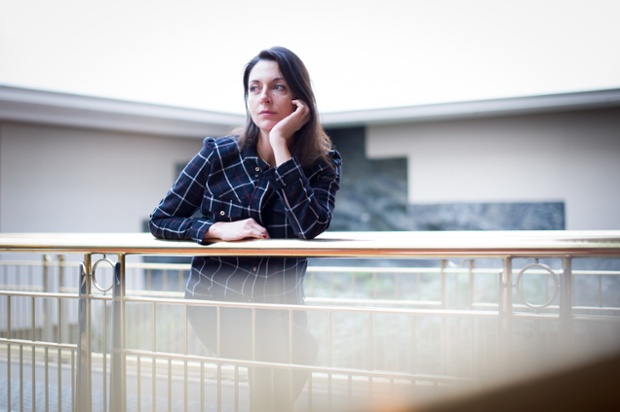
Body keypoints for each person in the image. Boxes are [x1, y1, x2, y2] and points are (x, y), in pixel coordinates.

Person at [149, 46, 341, 412]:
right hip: (218, 302)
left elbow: (309, 225)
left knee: (277, 361)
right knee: (296, 349)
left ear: (300, 99)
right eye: (254, 88)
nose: (264, 97)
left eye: (278, 87)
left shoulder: (322, 163)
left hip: (280, 306)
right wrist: (217, 229)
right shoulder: (218, 154)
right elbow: (161, 219)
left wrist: (281, 143)